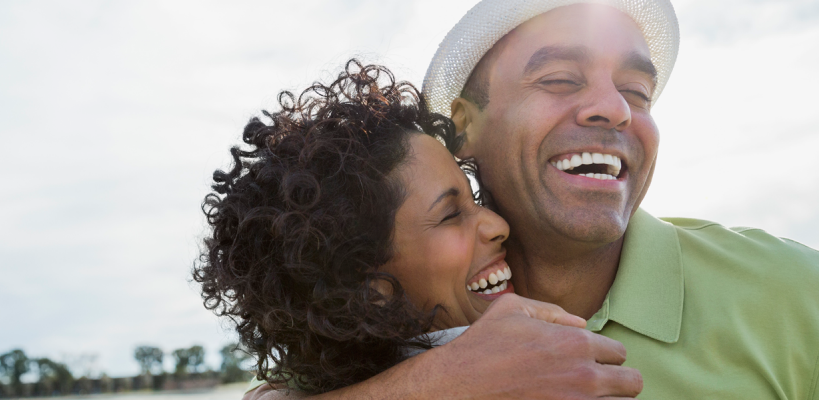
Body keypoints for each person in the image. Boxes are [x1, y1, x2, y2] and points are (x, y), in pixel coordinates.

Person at [242, 0, 819, 398]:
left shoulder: (796, 297)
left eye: (637, 92)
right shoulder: (402, 319)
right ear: (464, 127)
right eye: (560, 78)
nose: (614, 109)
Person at [194, 60, 594, 395]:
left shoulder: (300, 388)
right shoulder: (543, 373)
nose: (497, 224)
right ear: (371, 291)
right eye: (451, 214)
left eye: (473, 197)